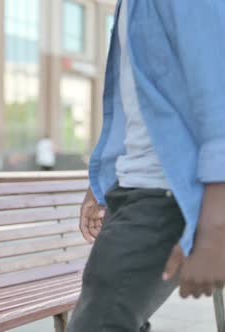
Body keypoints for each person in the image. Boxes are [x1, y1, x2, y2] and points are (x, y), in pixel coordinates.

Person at [67, 1, 225, 331]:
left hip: (165, 195)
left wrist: (215, 227)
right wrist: (101, 182)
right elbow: (136, 106)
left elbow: (217, 93)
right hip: (136, 190)